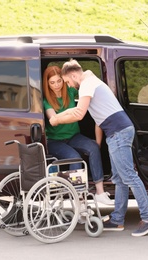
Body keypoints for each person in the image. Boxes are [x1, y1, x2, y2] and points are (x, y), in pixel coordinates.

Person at [49, 59, 148, 237]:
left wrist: (56, 120)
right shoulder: (91, 82)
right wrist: (98, 144)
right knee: (119, 178)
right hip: (116, 132)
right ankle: (117, 220)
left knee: (129, 176)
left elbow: (78, 113)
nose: (69, 85)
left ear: (74, 75)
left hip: (118, 132)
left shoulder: (86, 85)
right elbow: (95, 119)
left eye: (68, 81)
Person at [42, 65, 113, 205]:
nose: (56, 85)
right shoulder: (46, 100)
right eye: (52, 82)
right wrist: (74, 113)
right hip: (55, 141)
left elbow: (85, 81)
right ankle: (78, 199)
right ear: (47, 83)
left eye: (59, 81)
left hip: (73, 136)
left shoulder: (69, 90)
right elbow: (53, 119)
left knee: (93, 147)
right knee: (74, 159)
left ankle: (100, 192)